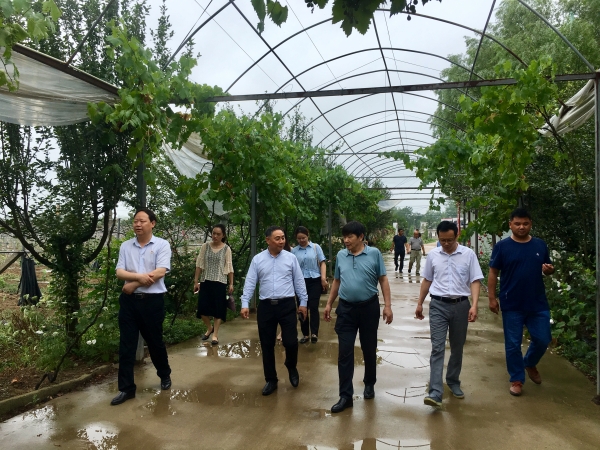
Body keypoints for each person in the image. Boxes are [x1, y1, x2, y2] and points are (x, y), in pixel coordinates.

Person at [324, 221, 393, 413]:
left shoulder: (374, 254)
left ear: (361, 237)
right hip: (346, 309)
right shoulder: (341, 255)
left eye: (350, 237)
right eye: (344, 237)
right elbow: (337, 280)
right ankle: (345, 396)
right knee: (344, 352)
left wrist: (387, 306)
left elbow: (383, 280)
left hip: (369, 308)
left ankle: (369, 383)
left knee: (368, 348)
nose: (346, 240)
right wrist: (329, 303)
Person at [415, 221, 483, 408]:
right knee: (437, 348)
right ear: (438, 237)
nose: (446, 243)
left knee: (457, 346)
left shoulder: (468, 255)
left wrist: (474, 305)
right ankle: (435, 392)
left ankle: (453, 381)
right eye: (442, 240)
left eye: (449, 240)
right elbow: (427, 280)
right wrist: (419, 303)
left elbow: (475, 280)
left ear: (456, 236)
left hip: (461, 305)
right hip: (438, 305)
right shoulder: (433, 255)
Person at [488, 208, 555, 397]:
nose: (521, 227)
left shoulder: (540, 245)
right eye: (517, 224)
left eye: (525, 223)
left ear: (530, 224)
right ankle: (517, 379)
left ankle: (530, 362)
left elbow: (547, 268)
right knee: (513, 344)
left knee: (543, 339)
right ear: (510, 225)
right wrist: (492, 298)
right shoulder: (502, 247)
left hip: (537, 303)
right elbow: (493, 272)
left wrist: (549, 270)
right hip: (512, 303)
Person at [111, 208, 172, 406]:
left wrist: (133, 284)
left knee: (155, 343)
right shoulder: (126, 246)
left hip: (152, 302)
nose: (137, 224)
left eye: (142, 221)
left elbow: (160, 271)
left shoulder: (162, 245)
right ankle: (126, 389)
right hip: (129, 302)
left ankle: (164, 374)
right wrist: (139, 278)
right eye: (135, 221)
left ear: (152, 223)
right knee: (126, 345)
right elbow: (120, 272)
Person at [241, 226, 308, 396]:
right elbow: (250, 281)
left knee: (291, 342)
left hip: (287, 305)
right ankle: (271, 380)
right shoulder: (258, 260)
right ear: (268, 240)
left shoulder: (291, 258)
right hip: (266, 307)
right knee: (267, 344)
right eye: (277, 238)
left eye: (283, 238)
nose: (281, 241)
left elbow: (299, 281)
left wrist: (303, 302)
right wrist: (245, 303)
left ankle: (291, 366)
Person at [194, 224, 234, 346]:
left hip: (220, 282)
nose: (215, 236)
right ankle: (209, 327)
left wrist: (231, 283)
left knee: (218, 310)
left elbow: (229, 266)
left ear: (223, 235)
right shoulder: (205, 246)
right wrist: (196, 281)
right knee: (202, 309)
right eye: (213, 233)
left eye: (218, 234)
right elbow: (199, 264)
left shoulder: (226, 249)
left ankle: (215, 335)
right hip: (205, 281)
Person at [291, 226, 328, 344]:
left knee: (313, 306)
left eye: (303, 237)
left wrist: (323, 278)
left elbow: (322, 263)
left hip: (315, 280)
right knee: (302, 307)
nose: (301, 240)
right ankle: (305, 334)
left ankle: (314, 333)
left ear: (308, 236)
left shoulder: (316, 247)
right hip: (300, 282)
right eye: (299, 238)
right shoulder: (294, 251)